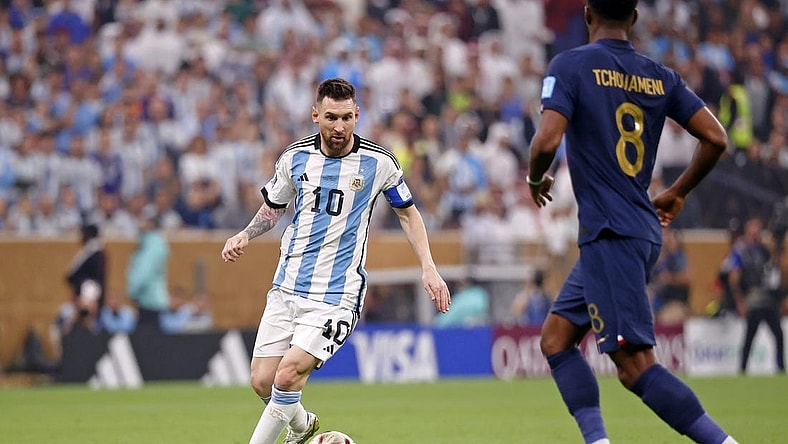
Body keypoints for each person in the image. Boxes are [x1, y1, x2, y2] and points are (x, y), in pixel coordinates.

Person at [526, 2, 738, 444]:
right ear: (635, 18)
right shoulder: (659, 75)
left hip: (611, 233)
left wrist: (533, 176)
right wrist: (679, 190)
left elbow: (547, 139)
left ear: (587, 13)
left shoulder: (571, 64)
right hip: (635, 228)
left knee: (635, 367)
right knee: (556, 338)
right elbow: (716, 137)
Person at [220, 78, 451, 444]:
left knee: (287, 376)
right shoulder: (295, 158)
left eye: (347, 118)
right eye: (331, 117)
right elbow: (273, 208)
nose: (339, 127)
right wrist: (245, 234)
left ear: (357, 115)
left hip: (337, 296)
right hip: (287, 287)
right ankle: (304, 428)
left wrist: (429, 266)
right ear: (315, 115)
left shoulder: (379, 162)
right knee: (262, 380)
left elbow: (408, 213)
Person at [728, 217, 785, 374]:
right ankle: (742, 369)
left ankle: (780, 368)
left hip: (768, 300)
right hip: (753, 300)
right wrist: (740, 301)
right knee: (749, 338)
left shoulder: (763, 250)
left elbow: (774, 270)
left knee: (778, 335)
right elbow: (734, 278)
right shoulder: (741, 250)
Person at [126, 208, 170, 333]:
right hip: (151, 300)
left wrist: (133, 291)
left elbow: (144, 271)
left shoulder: (152, 244)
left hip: (149, 301)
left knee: (146, 344)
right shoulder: (153, 242)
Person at [64, 222, 107, 333]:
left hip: (88, 294)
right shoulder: (95, 252)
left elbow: (71, 274)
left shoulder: (93, 252)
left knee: (87, 327)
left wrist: (88, 298)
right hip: (86, 295)